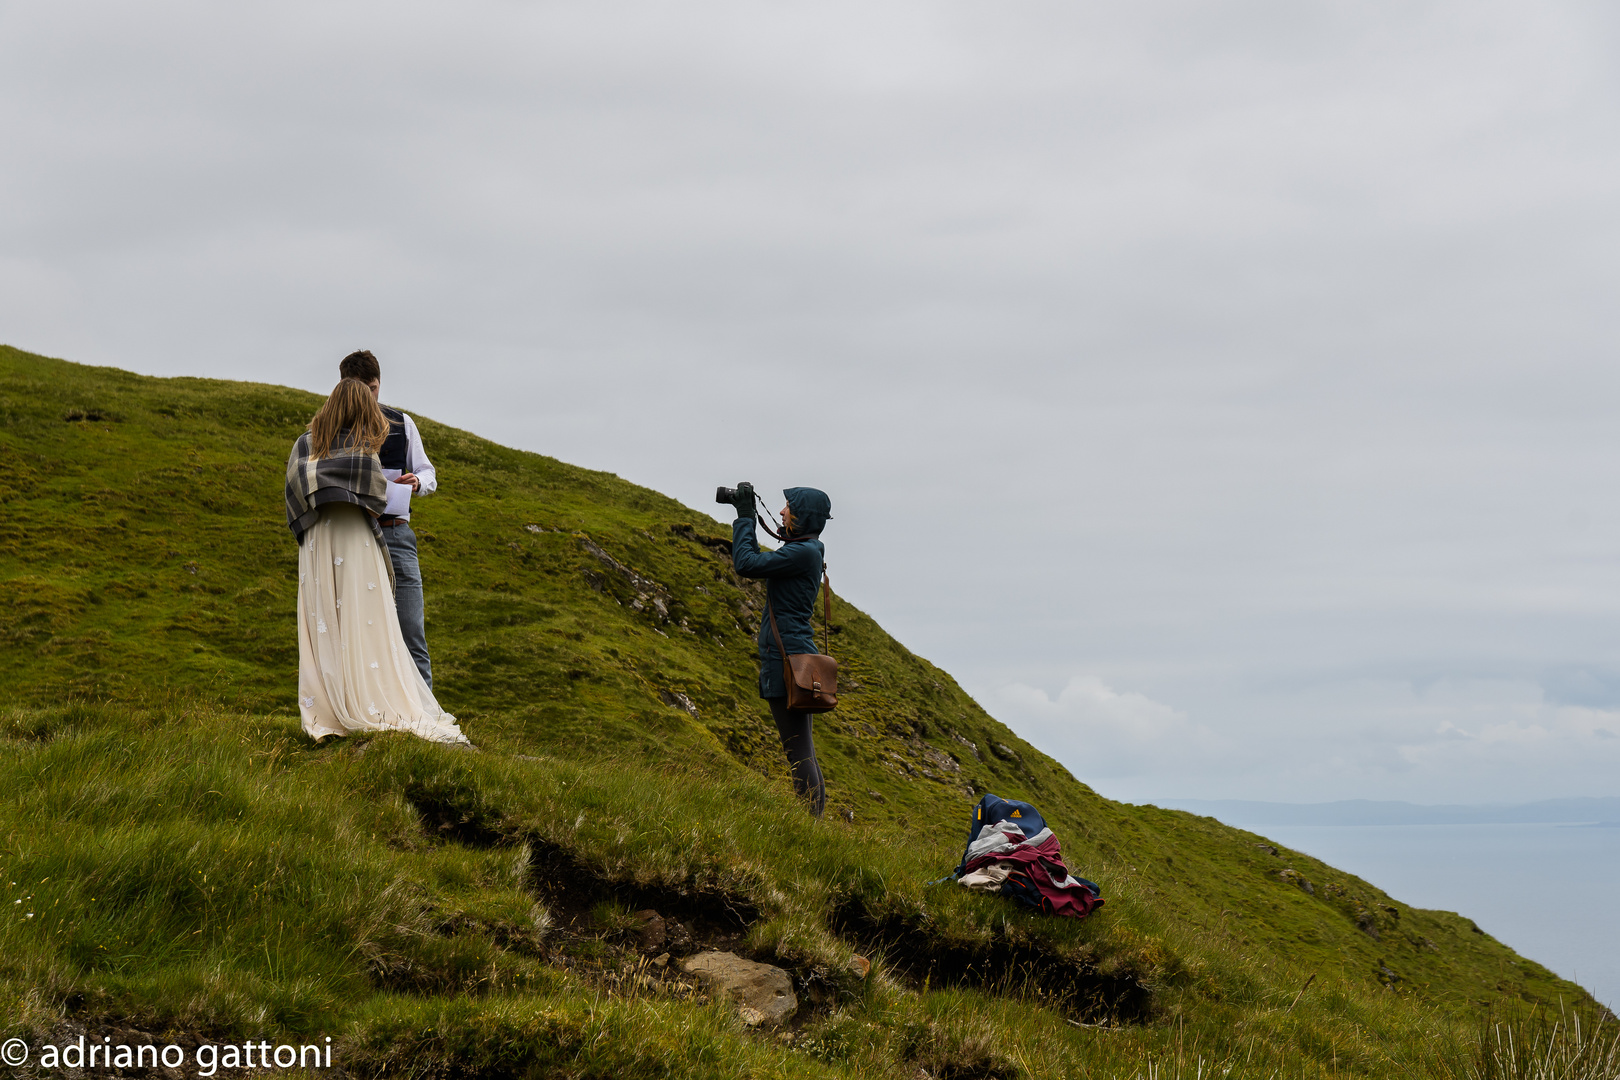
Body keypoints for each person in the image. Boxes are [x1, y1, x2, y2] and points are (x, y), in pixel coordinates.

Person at [284, 378, 469, 746]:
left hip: (321, 539)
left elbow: (295, 490)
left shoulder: (306, 444)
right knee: (371, 624)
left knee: (336, 626)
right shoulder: (363, 447)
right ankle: (386, 702)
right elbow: (373, 495)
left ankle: (336, 707)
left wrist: (415, 483)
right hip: (357, 535)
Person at [728, 484, 834, 817]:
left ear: (803, 517)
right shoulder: (807, 549)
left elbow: (746, 563)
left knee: (798, 750)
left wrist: (745, 516)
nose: (782, 512)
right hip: (796, 654)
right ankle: (813, 823)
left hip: (786, 659)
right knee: (804, 749)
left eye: (788, 507)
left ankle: (809, 826)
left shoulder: (803, 553)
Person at [337, 350, 439, 688]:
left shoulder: (402, 423)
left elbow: (427, 471)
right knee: (358, 632)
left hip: (396, 534)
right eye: (361, 389)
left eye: (374, 388)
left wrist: (419, 482)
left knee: (411, 632)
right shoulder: (331, 429)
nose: (368, 397)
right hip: (352, 537)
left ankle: (429, 722)